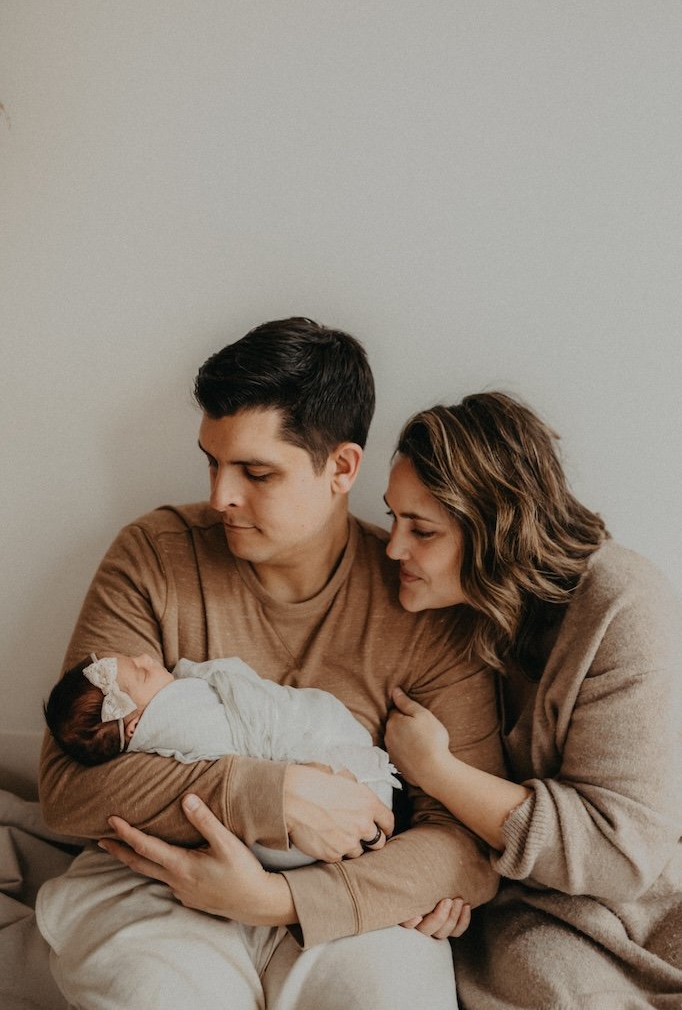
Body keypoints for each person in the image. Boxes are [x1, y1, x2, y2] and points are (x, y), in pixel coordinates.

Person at [37, 318, 504, 1010]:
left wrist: (282, 898)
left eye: (256, 473)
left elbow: (467, 843)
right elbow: (67, 787)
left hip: (345, 892)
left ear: (343, 468)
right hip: (160, 881)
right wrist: (265, 794)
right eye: (212, 462)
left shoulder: (425, 596)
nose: (222, 496)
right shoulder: (155, 554)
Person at [381, 392, 682, 1009]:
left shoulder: (623, 607)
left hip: (639, 908)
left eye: (422, 530)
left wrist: (438, 769)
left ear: (496, 528)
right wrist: (442, 870)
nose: (393, 548)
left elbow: (625, 855)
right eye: (393, 519)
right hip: (507, 906)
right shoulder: (435, 610)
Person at [43, 650, 399, 867]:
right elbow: (242, 730)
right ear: (135, 727)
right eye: (142, 672)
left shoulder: (161, 717)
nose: (148, 659)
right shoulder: (180, 718)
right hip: (317, 807)